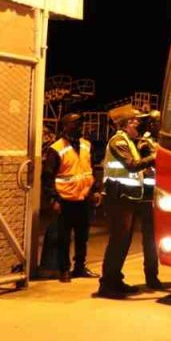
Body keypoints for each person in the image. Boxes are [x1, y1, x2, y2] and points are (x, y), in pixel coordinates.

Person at [95, 106, 156, 299]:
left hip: (126, 198)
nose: (138, 123)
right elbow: (131, 166)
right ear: (125, 124)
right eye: (134, 120)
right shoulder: (118, 141)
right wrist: (155, 157)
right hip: (117, 199)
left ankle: (115, 280)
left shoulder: (129, 141)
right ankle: (107, 285)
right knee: (117, 242)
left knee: (123, 242)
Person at [41, 113, 101, 282]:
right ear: (65, 126)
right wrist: (53, 199)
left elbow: (91, 169)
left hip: (84, 199)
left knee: (83, 237)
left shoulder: (86, 145)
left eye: (80, 124)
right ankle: (64, 270)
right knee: (64, 238)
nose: (79, 127)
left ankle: (80, 267)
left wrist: (95, 190)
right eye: (75, 124)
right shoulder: (56, 149)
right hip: (65, 200)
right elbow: (47, 176)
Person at [135, 109, 163, 289]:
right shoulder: (145, 143)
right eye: (158, 122)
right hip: (148, 195)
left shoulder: (162, 141)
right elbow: (149, 163)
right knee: (150, 238)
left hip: (162, 193)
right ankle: (151, 276)